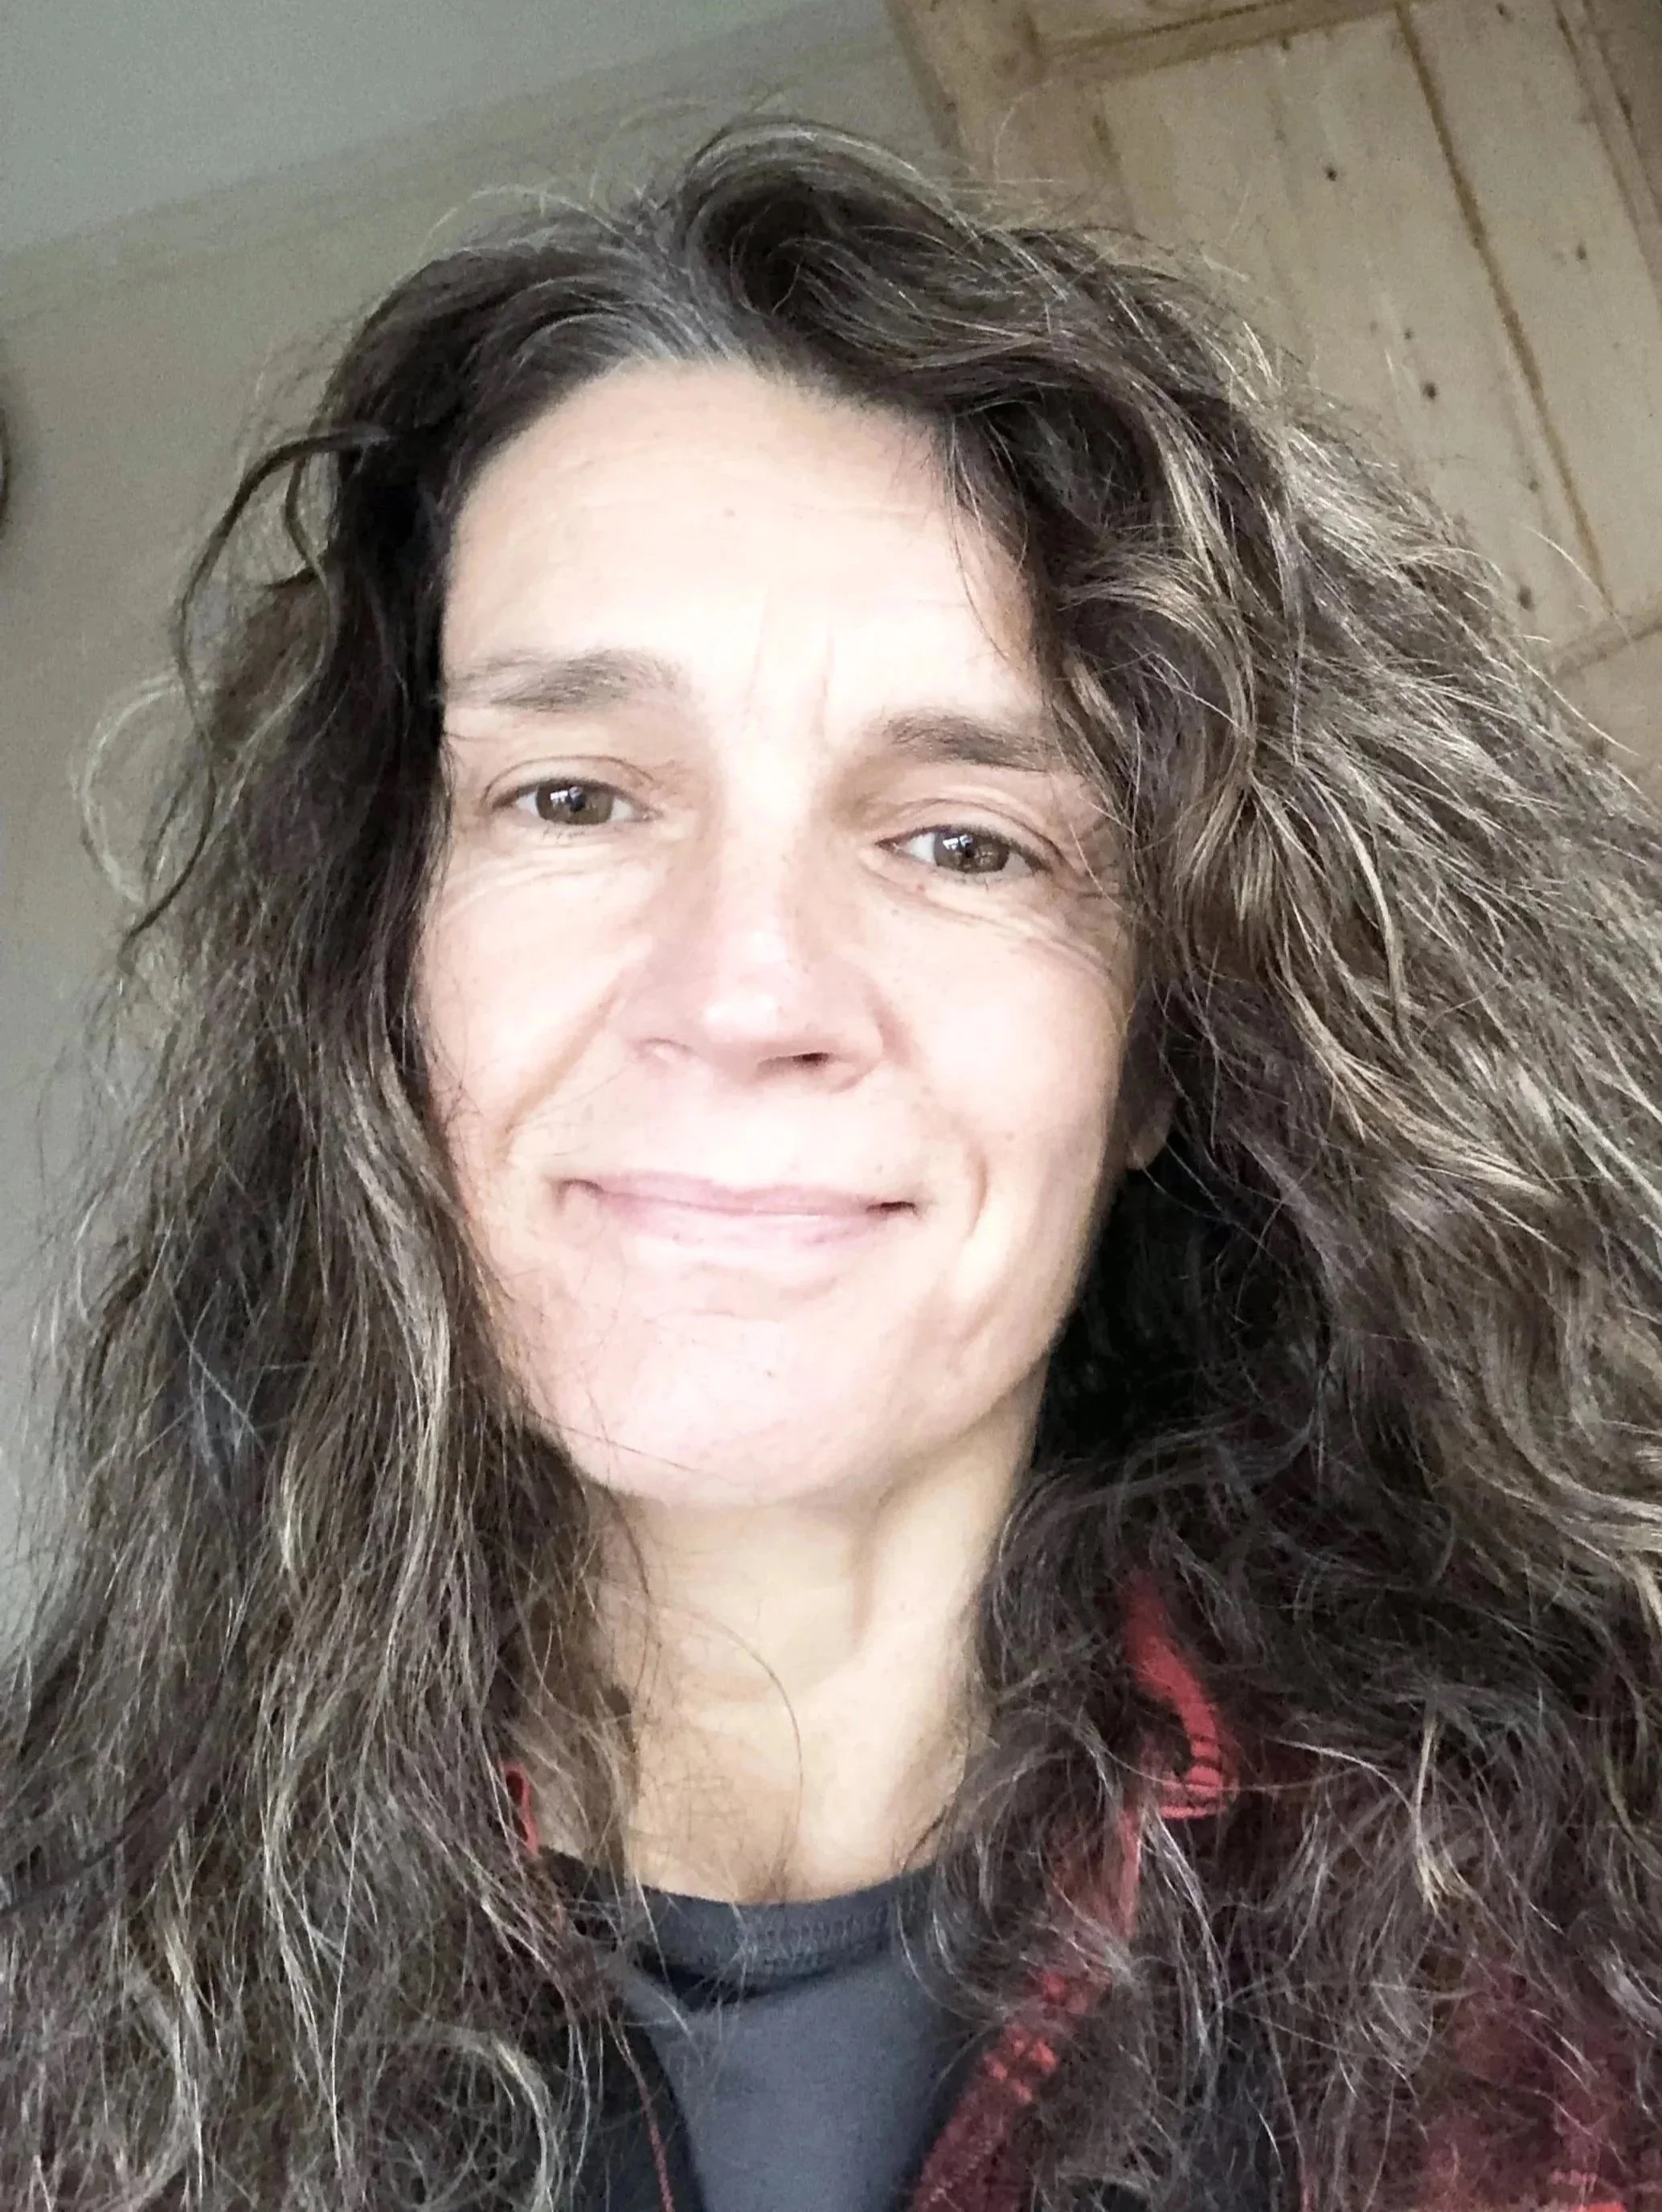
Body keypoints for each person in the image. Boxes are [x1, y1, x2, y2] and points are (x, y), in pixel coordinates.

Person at [5, 118, 1662, 2212]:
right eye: (577, 798)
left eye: (965, 839)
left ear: (1163, 1046)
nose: (743, 986)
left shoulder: (1572, 1924)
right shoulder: (50, 1974)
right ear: (382, 955)